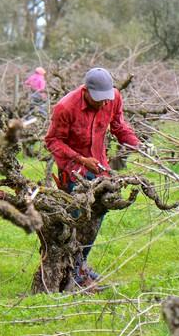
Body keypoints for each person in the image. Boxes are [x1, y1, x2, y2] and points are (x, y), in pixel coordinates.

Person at [44, 67, 141, 286]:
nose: (103, 103)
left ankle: (80, 265)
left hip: (100, 166)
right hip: (73, 170)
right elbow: (52, 141)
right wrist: (80, 159)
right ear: (86, 90)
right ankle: (70, 269)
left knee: (99, 212)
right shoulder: (66, 107)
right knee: (78, 217)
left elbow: (118, 125)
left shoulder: (113, 98)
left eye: (106, 99)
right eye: (98, 99)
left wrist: (136, 143)